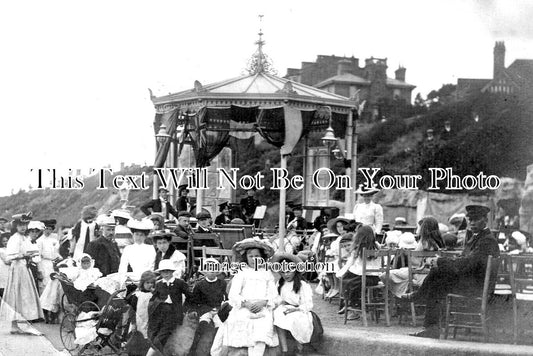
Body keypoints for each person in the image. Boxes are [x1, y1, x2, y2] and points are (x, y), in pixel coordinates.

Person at [401, 205, 500, 338]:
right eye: (470, 220)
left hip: (477, 287)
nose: (472, 223)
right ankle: (430, 324)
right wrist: (442, 261)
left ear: (485, 220)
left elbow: (468, 263)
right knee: (437, 276)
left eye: (476, 220)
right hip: (472, 282)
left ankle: (429, 321)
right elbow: (464, 260)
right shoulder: (478, 237)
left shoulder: (486, 240)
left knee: (437, 278)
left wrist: (441, 262)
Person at [212, 238, 278, 356]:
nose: (254, 259)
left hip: (262, 306)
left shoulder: (267, 273)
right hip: (244, 306)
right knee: (237, 320)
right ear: (246, 258)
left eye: (257, 256)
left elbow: (273, 294)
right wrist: (246, 303)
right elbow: (233, 294)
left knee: (263, 324)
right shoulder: (242, 273)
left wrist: (263, 302)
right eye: (250, 256)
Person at [0, 213, 44, 334]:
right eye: (20, 225)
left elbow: (27, 251)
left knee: (23, 295)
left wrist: (29, 257)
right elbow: (9, 257)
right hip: (17, 269)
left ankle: (18, 325)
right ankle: (18, 325)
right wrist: (23, 255)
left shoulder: (24, 238)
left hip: (24, 268)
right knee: (18, 295)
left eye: (25, 225)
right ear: (16, 226)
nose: (23, 227)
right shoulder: (14, 238)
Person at [382, 218, 443, 298]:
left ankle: (399, 296)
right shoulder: (438, 242)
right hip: (432, 274)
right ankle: (405, 294)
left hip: (420, 274)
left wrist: (406, 254)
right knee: (399, 275)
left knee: (385, 275)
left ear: (423, 228)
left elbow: (415, 263)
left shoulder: (424, 242)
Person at [147, 259, 191, 356]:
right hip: (160, 314)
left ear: (172, 272)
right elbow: (154, 298)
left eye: (168, 271)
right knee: (153, 333)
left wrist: (184, 309)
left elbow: (190, 296)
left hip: (174, 313)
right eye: (163, 271)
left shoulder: (179, 283)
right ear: (160, 273)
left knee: (161, 335)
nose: (166, 273)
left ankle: (150, 353)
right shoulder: (158, 284)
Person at [272, 253, 314, 355]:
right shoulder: (280, 284)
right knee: (277, 315)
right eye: (283, 272)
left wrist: (296, 309)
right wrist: (278, 302)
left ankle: (299, 348)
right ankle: (285, 350)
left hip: (299, 310)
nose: (286, 274)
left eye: (289, 271)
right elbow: (276, 298)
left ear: (295, 270)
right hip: (284, 308)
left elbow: (308, 304)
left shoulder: (302, 285)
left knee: (293, 319)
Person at [337, 225, 381, 320]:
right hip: (375, 278)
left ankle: (353, 307)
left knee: (347, 281)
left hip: (362, 277)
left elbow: (351, 264)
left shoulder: (358, 248)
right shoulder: (377, 246)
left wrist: (340, 273)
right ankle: (351, 304)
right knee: (350, 281)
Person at [187, 258, 228, 355]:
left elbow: (225, 298)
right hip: (205, 310)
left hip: (218, 310)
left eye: (214, 270)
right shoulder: (199, 285)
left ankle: (215, 351)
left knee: (220, 329)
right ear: (204, 272)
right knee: (203, 326)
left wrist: (219, 309)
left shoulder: (222, 283)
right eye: (209, 270)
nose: (211, 272)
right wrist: (198, 310)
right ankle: (193, 351)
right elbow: (195, 301)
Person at [119, 219, 156, 283]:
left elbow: (151, 266)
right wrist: (122, 279)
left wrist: (146, 279)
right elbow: (123, 266)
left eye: (141, 235)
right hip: (132, 278)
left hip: (147, 279)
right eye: (136, 234)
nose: (138, 237)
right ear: (133, 235)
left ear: (145, 236)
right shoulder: (128, 249)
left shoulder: (150, 248)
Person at [127, 270, 156, 339]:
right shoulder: (137, 295)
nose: (150, 285)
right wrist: (133, 323)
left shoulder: (153, 295)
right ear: (143, 283)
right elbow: (132, 310)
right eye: (147, 283)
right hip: (138, 321)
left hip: (149, 322)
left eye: (152, 283)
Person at [36, 219, 61, 291]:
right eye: (46, 229)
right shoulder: (39, 241)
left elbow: (55, 253)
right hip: (43, 264)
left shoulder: (52, 240)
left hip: (51, 264)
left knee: (52, 283)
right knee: (45, 284)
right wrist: (39, 270)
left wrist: (58, 258)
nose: (48, 231)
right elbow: (38, 256)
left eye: (50, 229)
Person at [0, 233, 10, 298]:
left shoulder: (10, 249)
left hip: (9, 270)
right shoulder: (1, 250)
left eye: (7, 240)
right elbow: (6, 261)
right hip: (3, 271)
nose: (6, 242)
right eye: (4, 241)